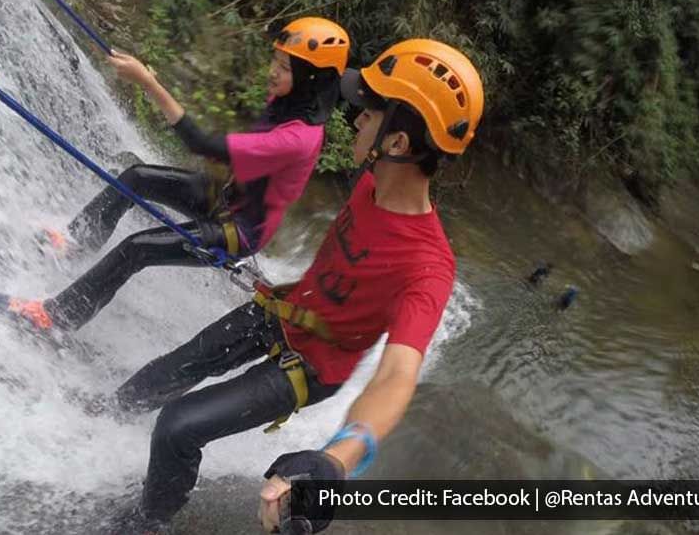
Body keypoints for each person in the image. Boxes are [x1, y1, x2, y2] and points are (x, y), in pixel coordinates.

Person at [106, 38, 485, 534]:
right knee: (162, 374)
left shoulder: (429, 267)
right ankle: (103, 417)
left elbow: (396, 376)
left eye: (368, 113)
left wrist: (338, 460)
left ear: (397, 144)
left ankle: (145, 523)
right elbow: (338, 270)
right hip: (278, 313)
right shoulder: (371, 184)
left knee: (179, 425)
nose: (354, 120)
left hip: (307, 367)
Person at [0, 16, 349, 333]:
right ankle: (79, 242)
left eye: (284, 68)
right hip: (224, 196)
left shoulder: (296, 139)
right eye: (276, 61)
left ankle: (57, 317)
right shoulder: (290, 103)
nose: (272, 71)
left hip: (236, 230)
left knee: (138, 248)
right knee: (136, 177)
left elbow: (200, 143)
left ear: (309, 81)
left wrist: (148, 83)